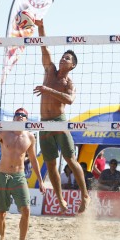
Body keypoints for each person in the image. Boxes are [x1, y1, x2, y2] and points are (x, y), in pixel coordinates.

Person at [33, 19, 90, 213]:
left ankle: (85, 195)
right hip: (44, 124)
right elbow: (44, 46)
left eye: (67, 58)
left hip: (59, 122)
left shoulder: (69, 83)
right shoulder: (49, 70)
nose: (62, 59)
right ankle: (59, 199)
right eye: (63, 57)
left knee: (70, 160)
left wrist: (48, 90)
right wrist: (40, 27)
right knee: (50, 164)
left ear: (73, 65)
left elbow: (70, 100)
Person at [0, 107, 46, 240]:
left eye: (22, 115)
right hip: (2, 175)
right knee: (1, 213)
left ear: (26, 119)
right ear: (13, 118)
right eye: (17, 114)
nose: (19, 117)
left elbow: (33, 160)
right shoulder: (4, 133)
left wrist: (41, 181)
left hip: (19, 176)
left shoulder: (30, 137)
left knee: (26, 210)